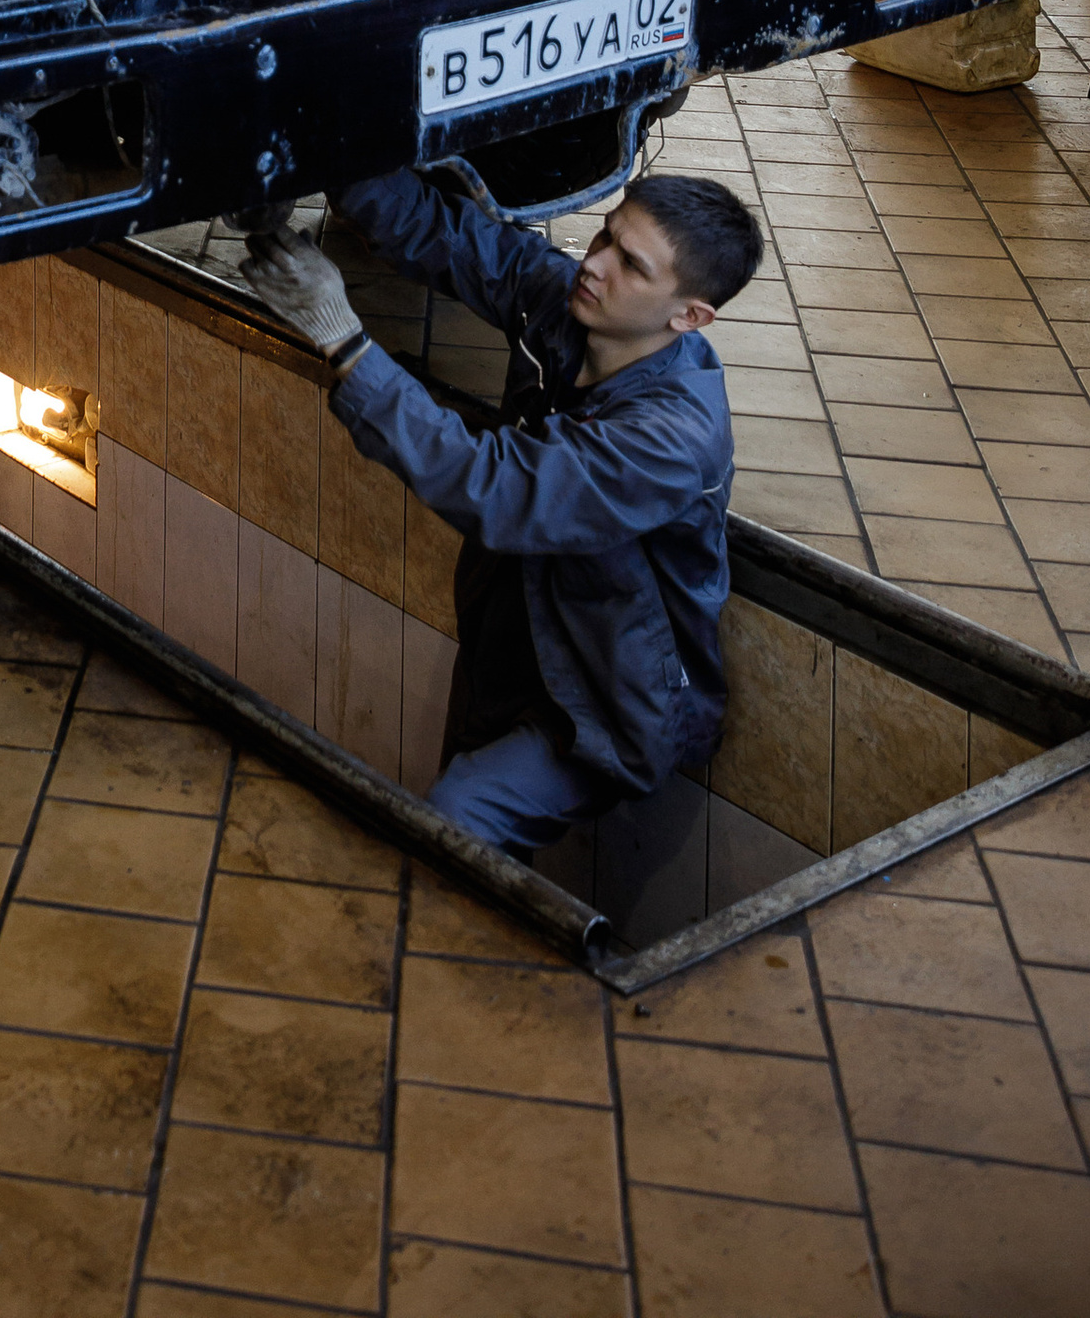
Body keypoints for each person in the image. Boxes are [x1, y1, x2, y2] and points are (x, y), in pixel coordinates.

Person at [239, 164, 763, 857]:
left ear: (689, 316)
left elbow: (499, 486)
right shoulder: (571, 304)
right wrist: (297, 161)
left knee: (458, 817)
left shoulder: (672, 438)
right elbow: (449, 235)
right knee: (465, 839)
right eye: (605, 236)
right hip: (509, 643)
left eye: (631, 265)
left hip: (608, 700)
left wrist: (345, 339)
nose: (595, 264)